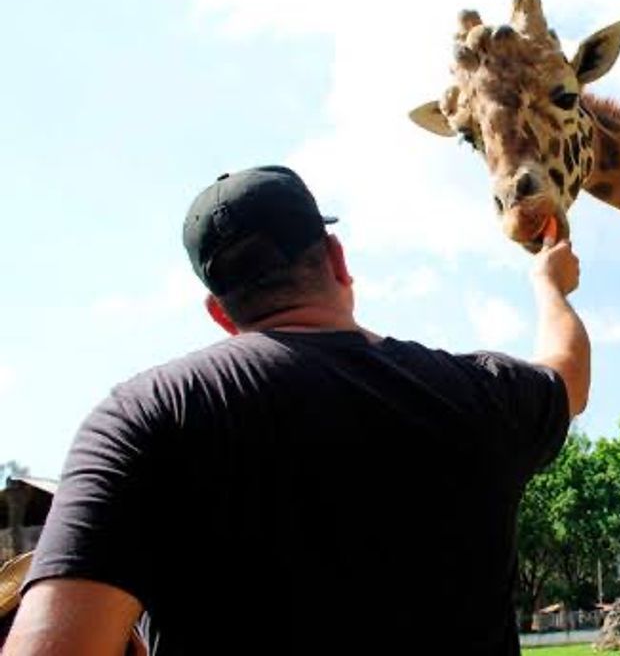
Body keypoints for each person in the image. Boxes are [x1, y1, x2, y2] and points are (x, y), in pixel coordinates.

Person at [3, 166, 590, 655]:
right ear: (337, 260)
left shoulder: (142, 418)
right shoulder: (480, 395)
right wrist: (550, 284)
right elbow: (568, 374)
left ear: (219, 311)